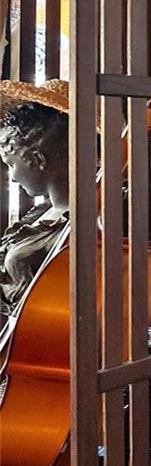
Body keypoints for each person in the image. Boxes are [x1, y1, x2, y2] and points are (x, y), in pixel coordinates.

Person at [0, 80, 72, 381]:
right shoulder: (42, 212)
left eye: (11, 165)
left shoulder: (85, 221)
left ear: (38, 160)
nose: (12, 177)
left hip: (45, 355)